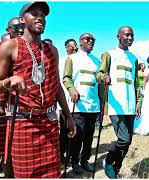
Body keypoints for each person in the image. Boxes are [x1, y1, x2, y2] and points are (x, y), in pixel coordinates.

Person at [0, 2, 76, 178]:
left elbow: (57, 86)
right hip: (23, 123)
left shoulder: (52, 50)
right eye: (34, 14)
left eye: (43, 15)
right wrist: (10, 80)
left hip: (49, 123)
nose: (40, 17)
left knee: (53, 174)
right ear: (22, 19)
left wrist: (69, 117)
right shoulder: (10, 47)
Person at [96, 26, 141, 178]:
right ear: (118, 36)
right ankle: (108, 161)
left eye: (132, 35)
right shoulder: (110, 54)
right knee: (124, 139)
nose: (130, 38)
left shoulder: (134, 58)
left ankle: (116, 168)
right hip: (116, 106)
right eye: (127, 35)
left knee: (128, 142)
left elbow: (136, 84)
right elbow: (99, 74)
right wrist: (104, 77)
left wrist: (138, 103)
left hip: (131, 106)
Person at [0, 18, 23, 178]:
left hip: (16, 101)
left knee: (13, 139)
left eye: (21, 26)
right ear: (8, 29)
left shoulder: (24, 48)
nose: (20, 29)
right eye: (16, 27)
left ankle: (11, 170)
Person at [63, 33, 100, 174]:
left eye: (93, 40)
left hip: (94, 104)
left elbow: (99, 84)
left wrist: (102, 102)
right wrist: (72, 90)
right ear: (80, 42)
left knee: (89, 136)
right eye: (88, 39)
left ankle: (85, 161)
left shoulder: (97, 61)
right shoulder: (71, 58)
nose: (91, 41)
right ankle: (75, 161)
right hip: (78, 103)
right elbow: (66, 78)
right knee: (78, 135)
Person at [59, 38, 78, 165]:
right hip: (61, 102)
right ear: (66, 47)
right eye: (72, 46)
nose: (75, 48)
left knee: (74, 130)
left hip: (75, 102)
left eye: (76, 46)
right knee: (63, 130)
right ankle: (62, 154)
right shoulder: (60, 61)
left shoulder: (79, 61)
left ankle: (72, 155)